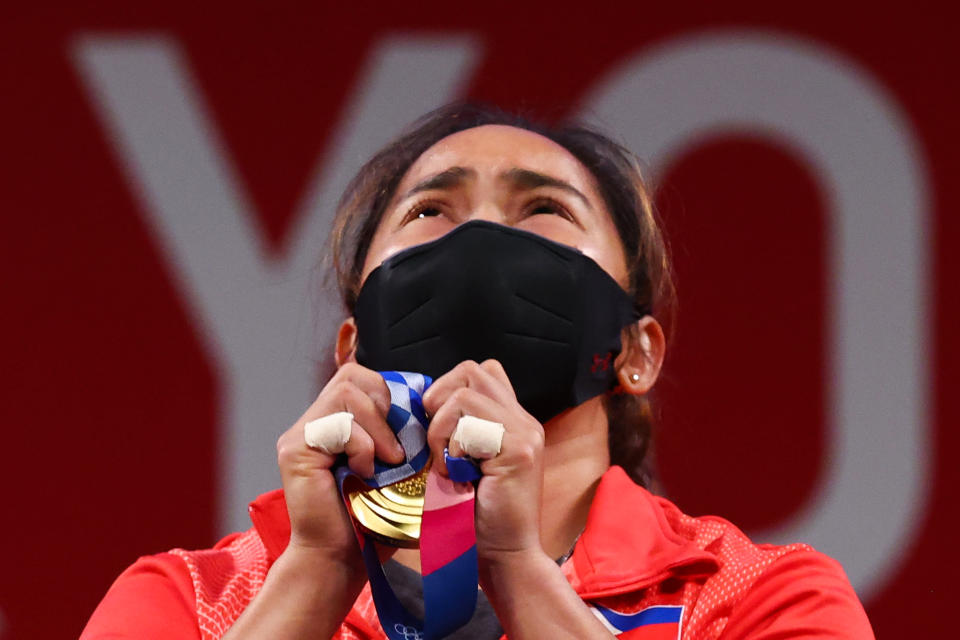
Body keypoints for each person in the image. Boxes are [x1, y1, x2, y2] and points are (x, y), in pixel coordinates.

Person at [81, 103, 874, 639]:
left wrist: (517, 572)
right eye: (431, 212)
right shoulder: (188, 599)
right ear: (352, 344)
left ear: (636, 352)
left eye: (544, 211)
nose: (484, 239)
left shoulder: (759, 598)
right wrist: (317, 573)